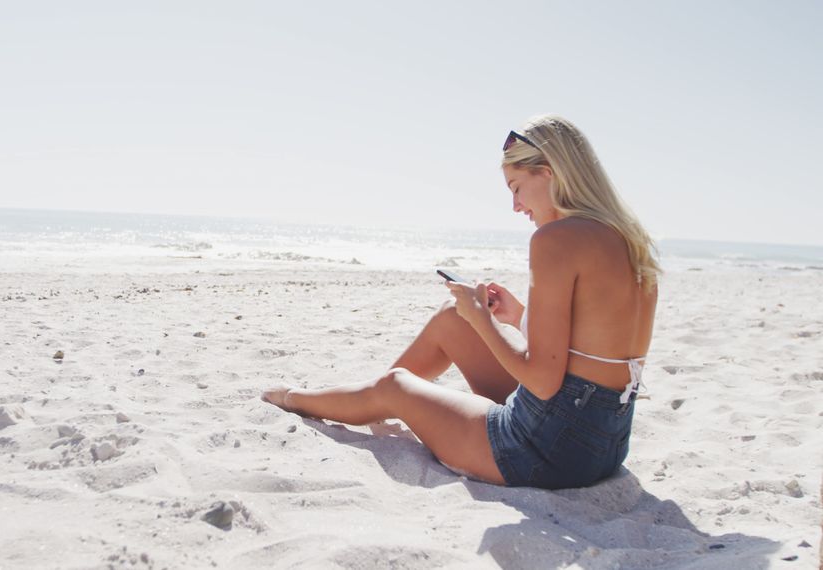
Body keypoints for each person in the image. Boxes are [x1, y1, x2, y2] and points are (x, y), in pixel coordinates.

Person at [262, 115, 660, 489]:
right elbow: (597, 347)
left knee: (397, 383)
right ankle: (376, 402)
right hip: (604, 444)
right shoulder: (626, 237)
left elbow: (542, 379)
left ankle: (303, 398)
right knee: (454, 318)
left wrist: (483, 321)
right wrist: (517, 315)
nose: (516, 206)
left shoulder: (557, 239)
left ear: (549, 173)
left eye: (516, 188)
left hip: (543, 451)